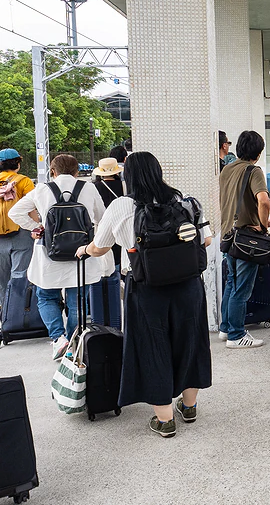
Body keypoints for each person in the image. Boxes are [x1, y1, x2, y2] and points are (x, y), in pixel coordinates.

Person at [76, 152, 213, 438]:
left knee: (153, 347)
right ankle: (189, 407)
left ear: (129, 177)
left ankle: (164, 421)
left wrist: (84, 250)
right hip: (188, 286)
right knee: (190, 341)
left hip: (146, 288)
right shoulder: (185, 200)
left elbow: (101, 247)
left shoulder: (122, 206)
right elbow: (207, 238)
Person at [8, 155, 112, 360]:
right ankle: (73, 343)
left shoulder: (42, 189)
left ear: (52, 171)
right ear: (76, 171)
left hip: (49, 254)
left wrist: (37, 228)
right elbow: (102, 217)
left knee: (46, 297)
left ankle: (58, 339)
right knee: (77, 299)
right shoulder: (88, 188)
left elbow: (15, 212)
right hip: (80, 253)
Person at [219, 130, 270, 348]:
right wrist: (262, 225)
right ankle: (236, 335)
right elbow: (264, 202)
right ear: (258, 153)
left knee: (231, 283)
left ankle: (226, 328)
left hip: (227, 235)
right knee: (242, 289)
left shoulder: (227, 169)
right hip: (245, 240)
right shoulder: (254, 171)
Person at [0, 148, 36, 305]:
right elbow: (32, 208)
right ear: (18, 163)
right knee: (20, 275)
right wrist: (36, 227)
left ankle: (4, 312)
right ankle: (19, 313)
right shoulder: (24, 181)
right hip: (21, 232)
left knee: (2, 278)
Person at [92, 157, 126, 269]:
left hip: (103, 223)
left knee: (105, 253)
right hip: (121, 223)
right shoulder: (124, 186)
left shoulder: (95, 187)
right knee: (120, 252)